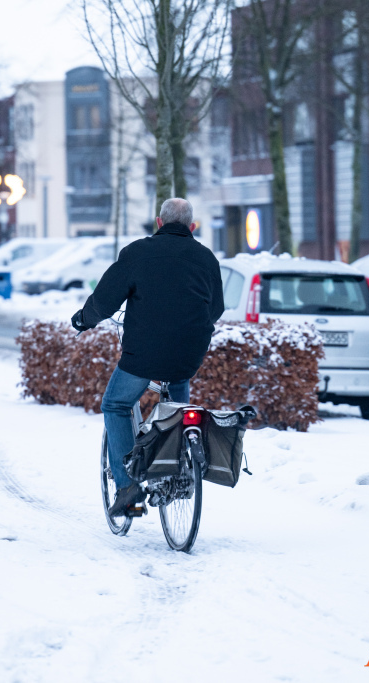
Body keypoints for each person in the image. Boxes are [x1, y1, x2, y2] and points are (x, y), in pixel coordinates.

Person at [71, 197, 224, 517]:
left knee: (115, 404)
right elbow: (216, 309)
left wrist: (84, 319)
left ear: (159, 223)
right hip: (190, 350)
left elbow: (104, 301)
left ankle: (128, 487)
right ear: (191, 227)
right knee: (178, 399)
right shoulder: (206, 257)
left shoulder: (137, 253)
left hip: (145, 351)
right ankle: (181, 464)